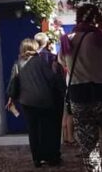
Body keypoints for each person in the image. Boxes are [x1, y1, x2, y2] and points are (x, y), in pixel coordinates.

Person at [60, 4, 102, 172]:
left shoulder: (67, 40)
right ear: (96, 19)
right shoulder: (100, 39)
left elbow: (62, 63)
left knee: (88, 147)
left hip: (79, 97)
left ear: (77, 18)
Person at [7, 38, 66, 168]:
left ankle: (37, 159)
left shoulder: (18, 63)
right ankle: (49, 156)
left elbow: (13, 82)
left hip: (27, 101)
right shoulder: (40, 61)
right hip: (44, 100)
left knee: (33, 130)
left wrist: (11, 98)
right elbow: (50, 78)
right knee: (46, 129)